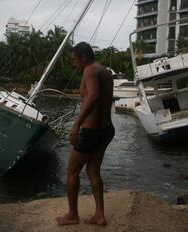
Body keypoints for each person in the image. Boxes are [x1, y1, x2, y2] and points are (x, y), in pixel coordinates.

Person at [55, 42, 115, 226]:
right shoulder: (104, 71)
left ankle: (73, 215)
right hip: (106, 129)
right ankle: (100, 215)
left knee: (72, 171)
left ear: (84, 57)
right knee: (92, 171)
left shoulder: (90, 70)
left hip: (91, 132)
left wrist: (76, 124)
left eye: (74, 60)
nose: (74, 64)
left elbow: (94, 96)